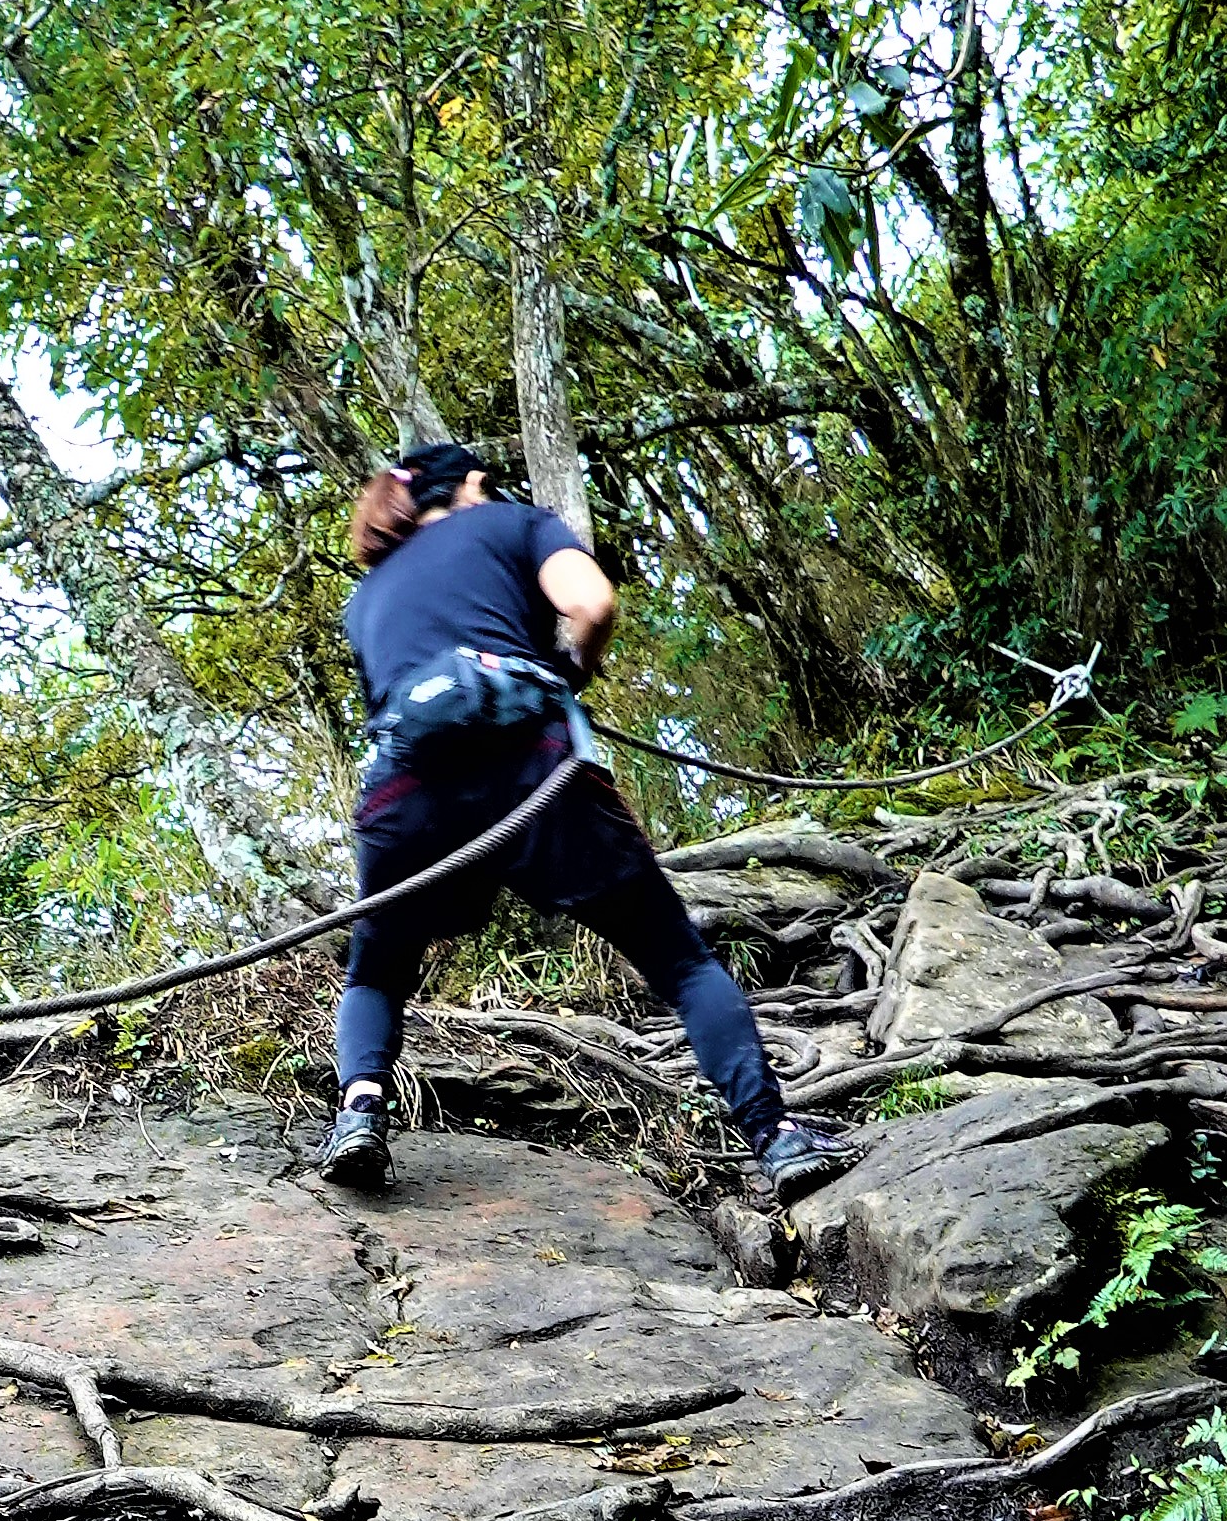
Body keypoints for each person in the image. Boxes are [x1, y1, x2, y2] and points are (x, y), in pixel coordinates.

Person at [320, 440, 840, 1200]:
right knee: (679, 962)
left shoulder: (365, 599)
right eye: (483, 482)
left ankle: (360, 1114)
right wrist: (575, 669)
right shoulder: (513, 524)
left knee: (377, 971)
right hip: (536, 774)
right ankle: (774, 1135)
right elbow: (592, 605)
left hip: (406, 799)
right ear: (467, 485)